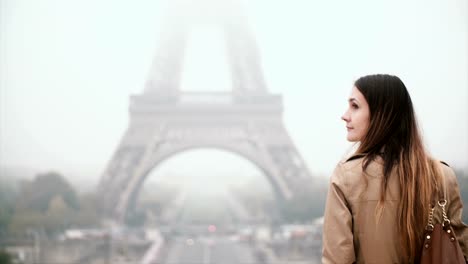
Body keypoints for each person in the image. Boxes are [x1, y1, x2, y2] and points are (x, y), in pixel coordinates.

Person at [321, 74, 468, 263]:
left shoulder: (346, 177)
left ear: (381, 114)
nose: (345, 115)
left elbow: (337, 260)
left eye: (355, 106)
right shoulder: (442, 176)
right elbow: (460, 249)